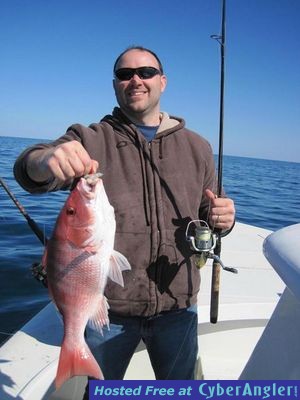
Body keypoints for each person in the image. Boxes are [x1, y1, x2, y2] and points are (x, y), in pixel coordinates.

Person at [14, 46, 235, 388]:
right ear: (115, 84)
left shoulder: (198, 147)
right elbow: (30, 171)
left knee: (181, 391)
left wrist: (224, 218)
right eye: (124, 74)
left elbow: (208, 213)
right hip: (110, 311)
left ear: (162, 82)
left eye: (145, 72)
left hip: (179, 306)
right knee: (103, 391)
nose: (135, 80)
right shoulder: (89, 138)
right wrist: (44, 161)